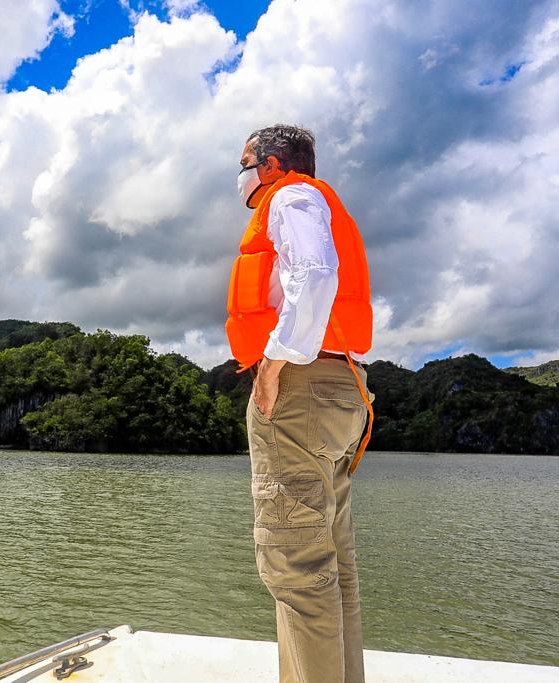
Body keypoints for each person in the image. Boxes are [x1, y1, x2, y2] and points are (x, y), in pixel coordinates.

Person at [225, 124, 376, 683]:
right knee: (332, 566)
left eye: (244, 163)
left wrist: (273, 363)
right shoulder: (314, 202)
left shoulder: (291, 196)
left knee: (296, 566)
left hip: (301, 392)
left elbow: (312, 276)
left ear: (268, 164)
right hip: (338, 387)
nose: (239, 176)